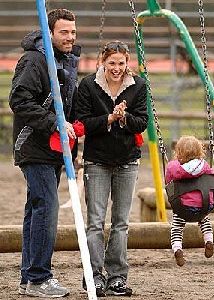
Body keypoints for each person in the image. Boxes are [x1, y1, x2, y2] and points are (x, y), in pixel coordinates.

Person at [9, 8, 80, 298]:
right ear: (49, 31)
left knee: (36, 209)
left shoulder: (68, 61)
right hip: (33, 146)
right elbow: (19, 100)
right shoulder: (34, 60)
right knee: (46, 209)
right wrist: (55, 123)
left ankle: (29, 278)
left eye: (73, 32)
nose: (70, 37)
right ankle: (39, 277)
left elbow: (67, 107)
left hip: (55, 149)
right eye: (64, 32)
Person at [75, 40, 148, 297]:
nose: (116, 68)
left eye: (121, 63)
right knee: (95, 222)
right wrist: (109, 118)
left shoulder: (138, 86)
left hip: (127, 160)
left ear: (127, 62)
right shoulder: (88, 86)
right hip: (97, 161)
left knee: (121, 222)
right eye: (112, 63)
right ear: (102, 62)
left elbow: (142, 122)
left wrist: (124, 118)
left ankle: (117, 276)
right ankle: (93, 275)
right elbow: (82, 122)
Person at [165, 136, 214, 267]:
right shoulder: (204, 165)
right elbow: (213, 177)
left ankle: (177, 249)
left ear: (178, 153)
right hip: (204, 205)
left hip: (183, 207)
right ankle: (209, 241)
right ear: (200, 151)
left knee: (176, 227)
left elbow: (168, 182)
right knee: (205, 220)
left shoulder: (173, 167)